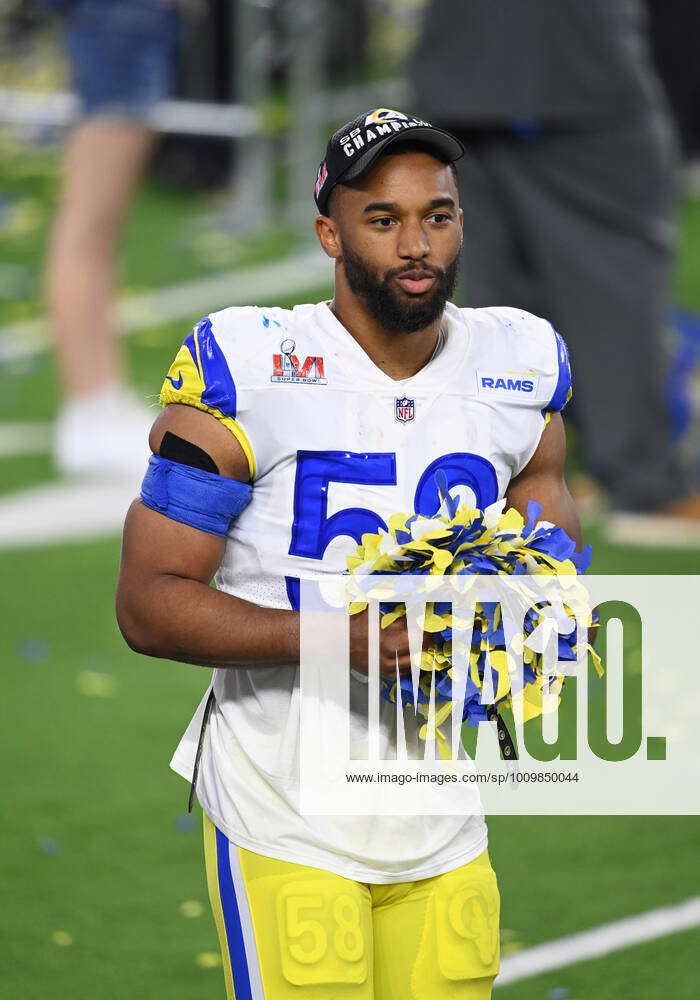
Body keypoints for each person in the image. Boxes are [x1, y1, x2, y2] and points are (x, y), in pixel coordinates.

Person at [116, 108, 584, 998]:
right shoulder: (247, 366)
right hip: (282, 806)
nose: (417, 245)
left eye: (437, 217)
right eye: (385, 219)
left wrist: (526, 600)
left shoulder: (518, 364)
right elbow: (148, 602)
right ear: (331, 232)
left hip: (442, 811)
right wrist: (343, 639)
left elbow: (547, 520)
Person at [409, 0, 700, 545]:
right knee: (614, 271)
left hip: (458, 67)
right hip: (572, 70)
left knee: (500, 295)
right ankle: (646, 483)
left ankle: (526, 478)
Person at [45, 0, 181, 477]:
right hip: (120, 14)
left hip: (125, 16)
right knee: (92, 220)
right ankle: (91, 405)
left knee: (97, 223)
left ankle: (96, 401)